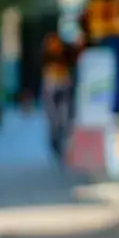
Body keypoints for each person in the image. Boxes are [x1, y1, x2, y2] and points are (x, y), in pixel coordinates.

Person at [42, 31, 75, 159]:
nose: (55, 45)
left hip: (64, 84)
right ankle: (55, 144)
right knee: (54, 119)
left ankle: (64, 145)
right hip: (51, 85)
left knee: (65, 117)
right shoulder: (46, 58)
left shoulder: (66, 55)